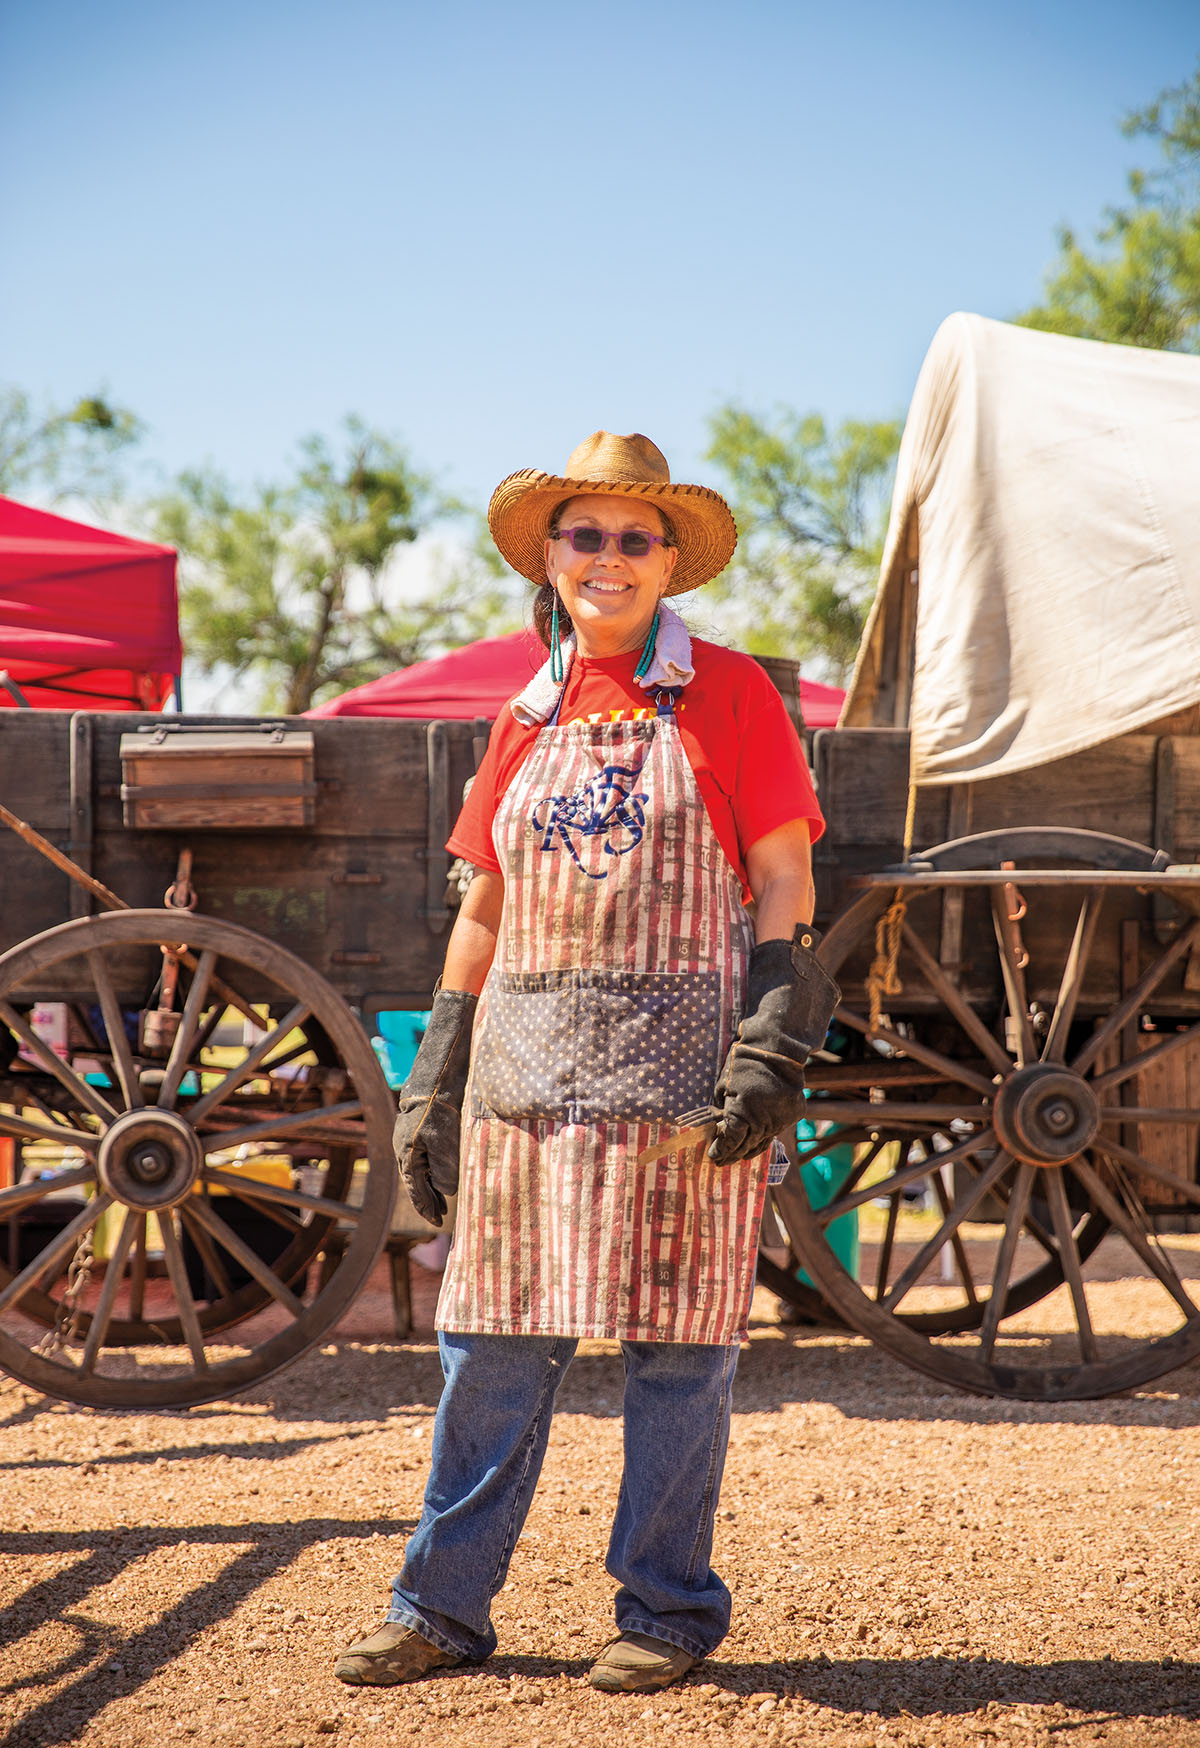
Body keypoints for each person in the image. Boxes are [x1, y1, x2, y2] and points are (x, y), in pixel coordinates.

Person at [335, 431, 837, 1696]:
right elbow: (484, 908)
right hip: (526, 1089)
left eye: (635, 537)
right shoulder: (524, 710)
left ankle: (664, 1610)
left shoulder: (730, 693)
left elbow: (782, 876)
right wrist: (436, 1074)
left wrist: (773, 1034)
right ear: (552, 556)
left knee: (678, 1352)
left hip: (684, 1093)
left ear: (670, 563)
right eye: (585, 535)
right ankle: (439, 1606)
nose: (608, 557)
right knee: (491, 1348)